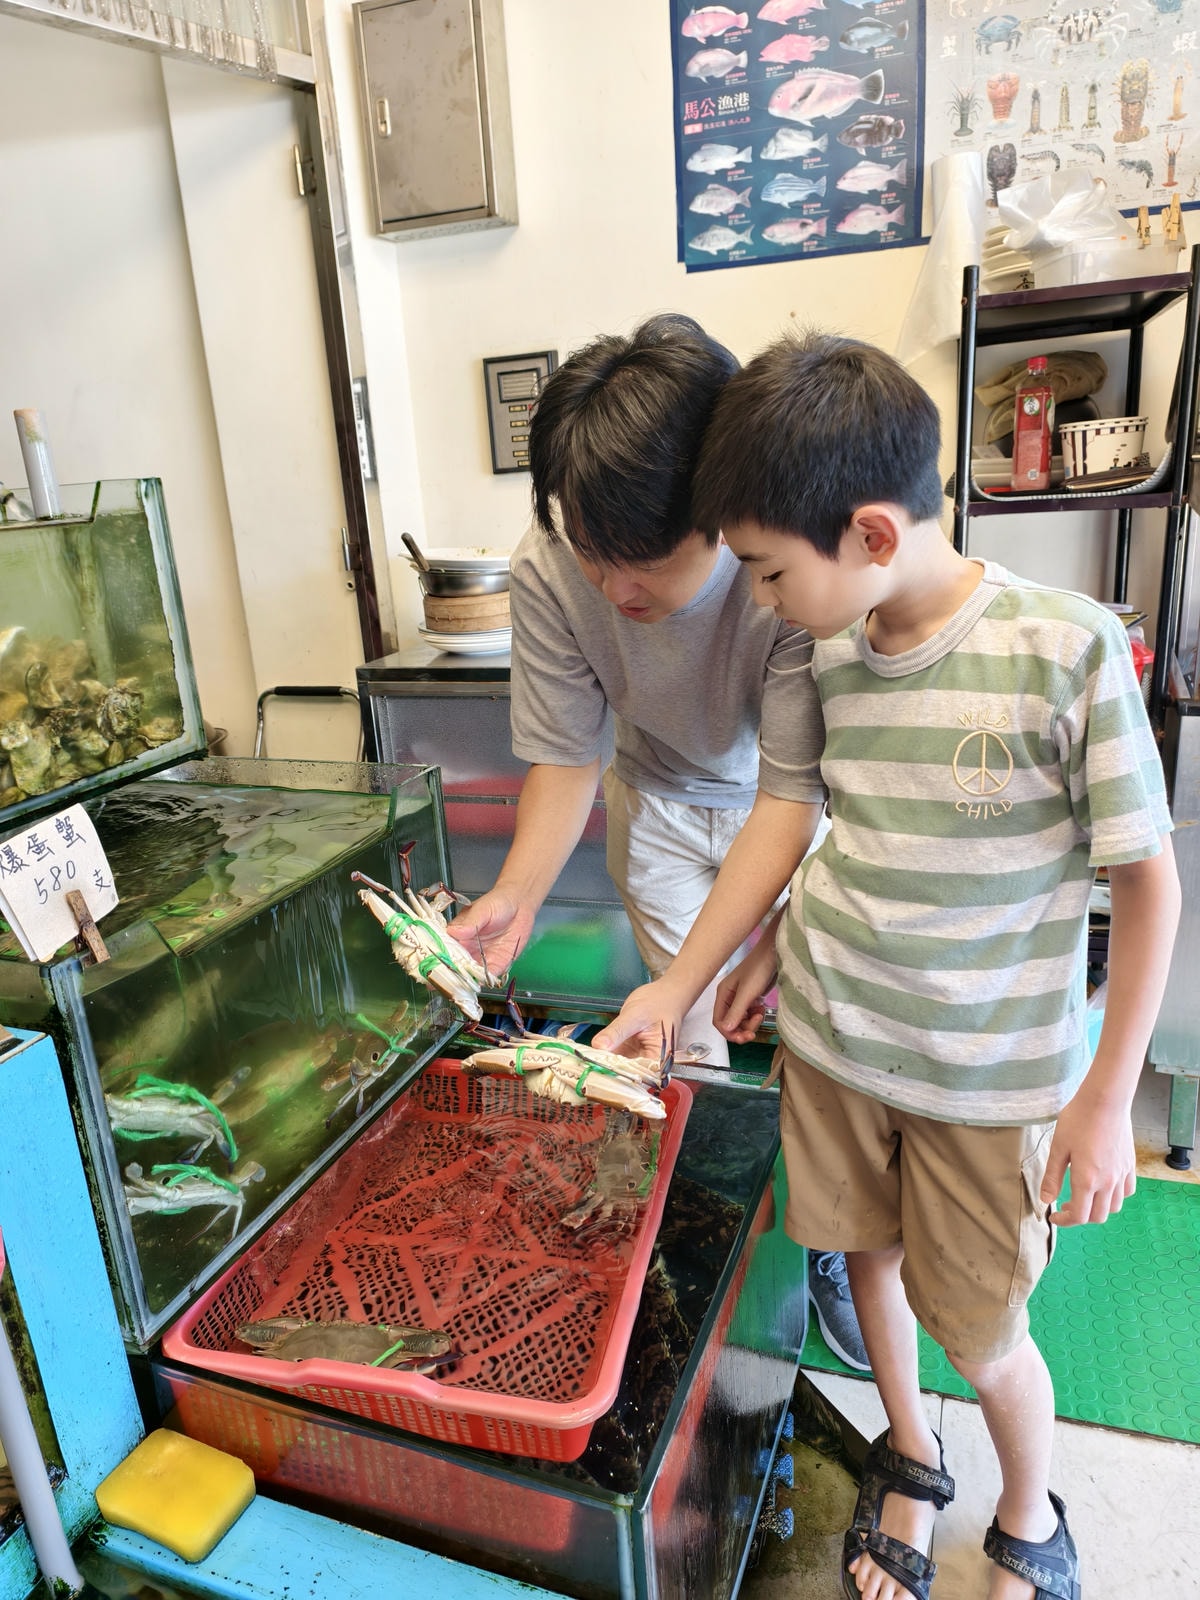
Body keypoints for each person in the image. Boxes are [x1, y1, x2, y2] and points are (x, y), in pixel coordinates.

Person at [598, 329, 1181, 1600]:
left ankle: (1032, 1505)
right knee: (864, 1258)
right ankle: (911, 1461)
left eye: (763, 570)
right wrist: (687, 977)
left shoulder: (1063, 650)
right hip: (839, 1041)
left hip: (989, 1082)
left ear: (868, 532)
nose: (757, 599)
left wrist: (1104, 1099)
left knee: (986, 1324)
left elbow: (1148, 884)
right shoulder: (826, 650)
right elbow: (786, 816)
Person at [445, 312, 868, 1370]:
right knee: (689, 1042)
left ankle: (830, 1231)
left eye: (642, 567)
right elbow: (566, 753)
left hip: (793, 811)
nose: (613, 591)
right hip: (663, 806)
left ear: (724, 521)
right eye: (591, 556)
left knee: (815, 1037)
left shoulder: (780, 569)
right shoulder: (550, 569)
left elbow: (787, 796)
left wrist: (688, 975)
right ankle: (717, 1236)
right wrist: (520, 897)